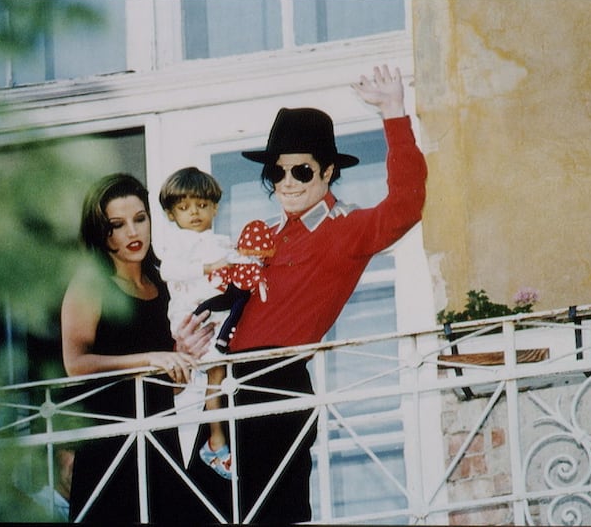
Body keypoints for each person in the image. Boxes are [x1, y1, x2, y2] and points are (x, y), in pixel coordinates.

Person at [175, 63, 428, 522]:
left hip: (275, 383)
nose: (288, 182)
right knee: (196, 513)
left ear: (328, 172)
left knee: (273, 515)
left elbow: (406, 205)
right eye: (278, 171)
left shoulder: (344, 229)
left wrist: (394, 112)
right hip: (225, 388)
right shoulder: (267, 234)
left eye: (301, 170)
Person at [60, 173, 219, 523]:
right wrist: (150, 359)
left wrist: (182, 355)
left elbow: (170, 383)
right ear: (100, 232)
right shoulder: (91, 282)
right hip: (109, 445)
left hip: (160, 438)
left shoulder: (163, 282)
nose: (133, 232)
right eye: (117, 225)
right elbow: (75, 363)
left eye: (140, 219)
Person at [157, 167, 238, 479]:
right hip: (193, 319)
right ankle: (212, 441)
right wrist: (209, 267)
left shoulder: (218, 241)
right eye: (184, 207)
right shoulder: (179, 242)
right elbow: (169, 271)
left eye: (202, 206)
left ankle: (216, 439)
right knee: (202, 380)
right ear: (171, 214)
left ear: (215, 208)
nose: (194, 213)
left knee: (218, 376)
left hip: (216, 317)